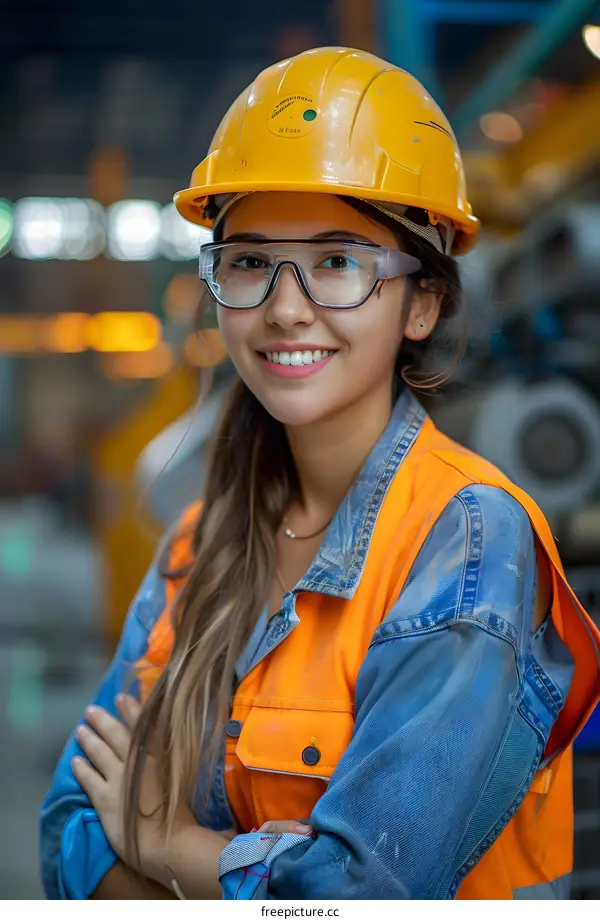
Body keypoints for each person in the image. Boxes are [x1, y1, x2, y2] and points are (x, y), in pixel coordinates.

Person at [40, 46, 600, 901]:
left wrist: (166, 845)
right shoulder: (199, 547)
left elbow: (358, 895)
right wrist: (251, 880)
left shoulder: (471, 544)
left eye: (338, 261)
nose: (285, 306)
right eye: (252, 261)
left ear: (422, 302)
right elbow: (67, 833)